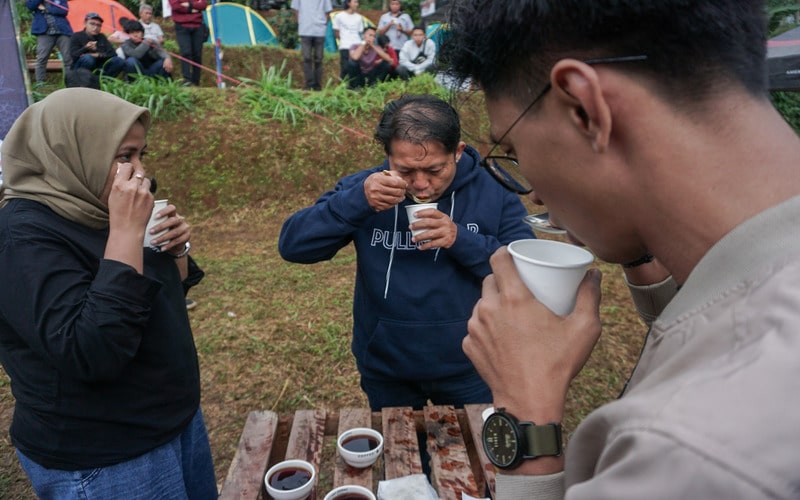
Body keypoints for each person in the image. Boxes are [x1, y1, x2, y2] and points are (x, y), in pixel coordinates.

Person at [440, 1, 800, 498]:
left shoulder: (690, 451)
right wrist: (636, 227)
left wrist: (526, 422)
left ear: (585, 108)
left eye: (514, 152)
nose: (536, 195)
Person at [0, 88, 216, 498]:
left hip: (174, 421)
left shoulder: (96, 207)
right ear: (74, 151)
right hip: (105, 455)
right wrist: (126, 233)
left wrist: (177, 250)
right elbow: (92, 350)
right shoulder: (22, 236)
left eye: (141, 155)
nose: (141, 173)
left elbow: (162, 295)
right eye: (124, 157)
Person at [279, 95, 535, 412]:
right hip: (386, 366)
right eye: (406, 171)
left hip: (471, 362)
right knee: (403, 457)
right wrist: (356, 202)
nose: (421, 185)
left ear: (457, 151)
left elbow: (526, 272)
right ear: (387, 157)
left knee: (472, 455)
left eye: (434, 170)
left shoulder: (493, 189)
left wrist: (460, 239)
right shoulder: (366, 189)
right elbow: (293, 246)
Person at [26, 0, 73, 84]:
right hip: (44, 32)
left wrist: (46, 9)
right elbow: (30, 6)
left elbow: (64, 10)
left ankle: (70, 82)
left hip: (62, 31)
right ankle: (40, 83)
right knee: (42, 58)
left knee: (68, 58)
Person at [69, 12, 126, 78]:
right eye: (92, 24)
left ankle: (104, 82)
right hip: (81, 68)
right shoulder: (76, 36)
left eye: (98, 25)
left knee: (118, 61)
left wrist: (98, 54)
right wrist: (85, 48)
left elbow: (113, 54)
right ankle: (83, 83)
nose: (95, 27)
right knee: (88, 59)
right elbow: (73, 55)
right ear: (85, 23)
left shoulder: (101, 37)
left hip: (100, 67)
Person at [292, 0, 333, 91]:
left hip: (319, 30)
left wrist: (322, 23)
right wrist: (302, 21)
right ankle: (309, 84)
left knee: (319, 59)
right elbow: (296, 9)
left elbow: (328, 11)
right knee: (306, 57)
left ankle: (317, 85)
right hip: (305, 29)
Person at [169, 0, 208, 86]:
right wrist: (193, 8)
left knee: (197, 55)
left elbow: (204, 5)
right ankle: (187, 80)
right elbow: (175, 6)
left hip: (198, 26)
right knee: (186, 53)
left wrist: (188, 5)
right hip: (182, 26)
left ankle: (196, 82)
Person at [332, 0, 364, 79]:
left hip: (356, 45)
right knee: (345, 67)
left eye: (357, 2)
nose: (357, 4)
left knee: (355, 67)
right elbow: (336, 32)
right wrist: (343, 40)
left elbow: (360, 32)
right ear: (348, 3)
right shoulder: (339, 16)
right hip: (345, 45)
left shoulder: (359, 17)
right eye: (355, 2)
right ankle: (343, 87)